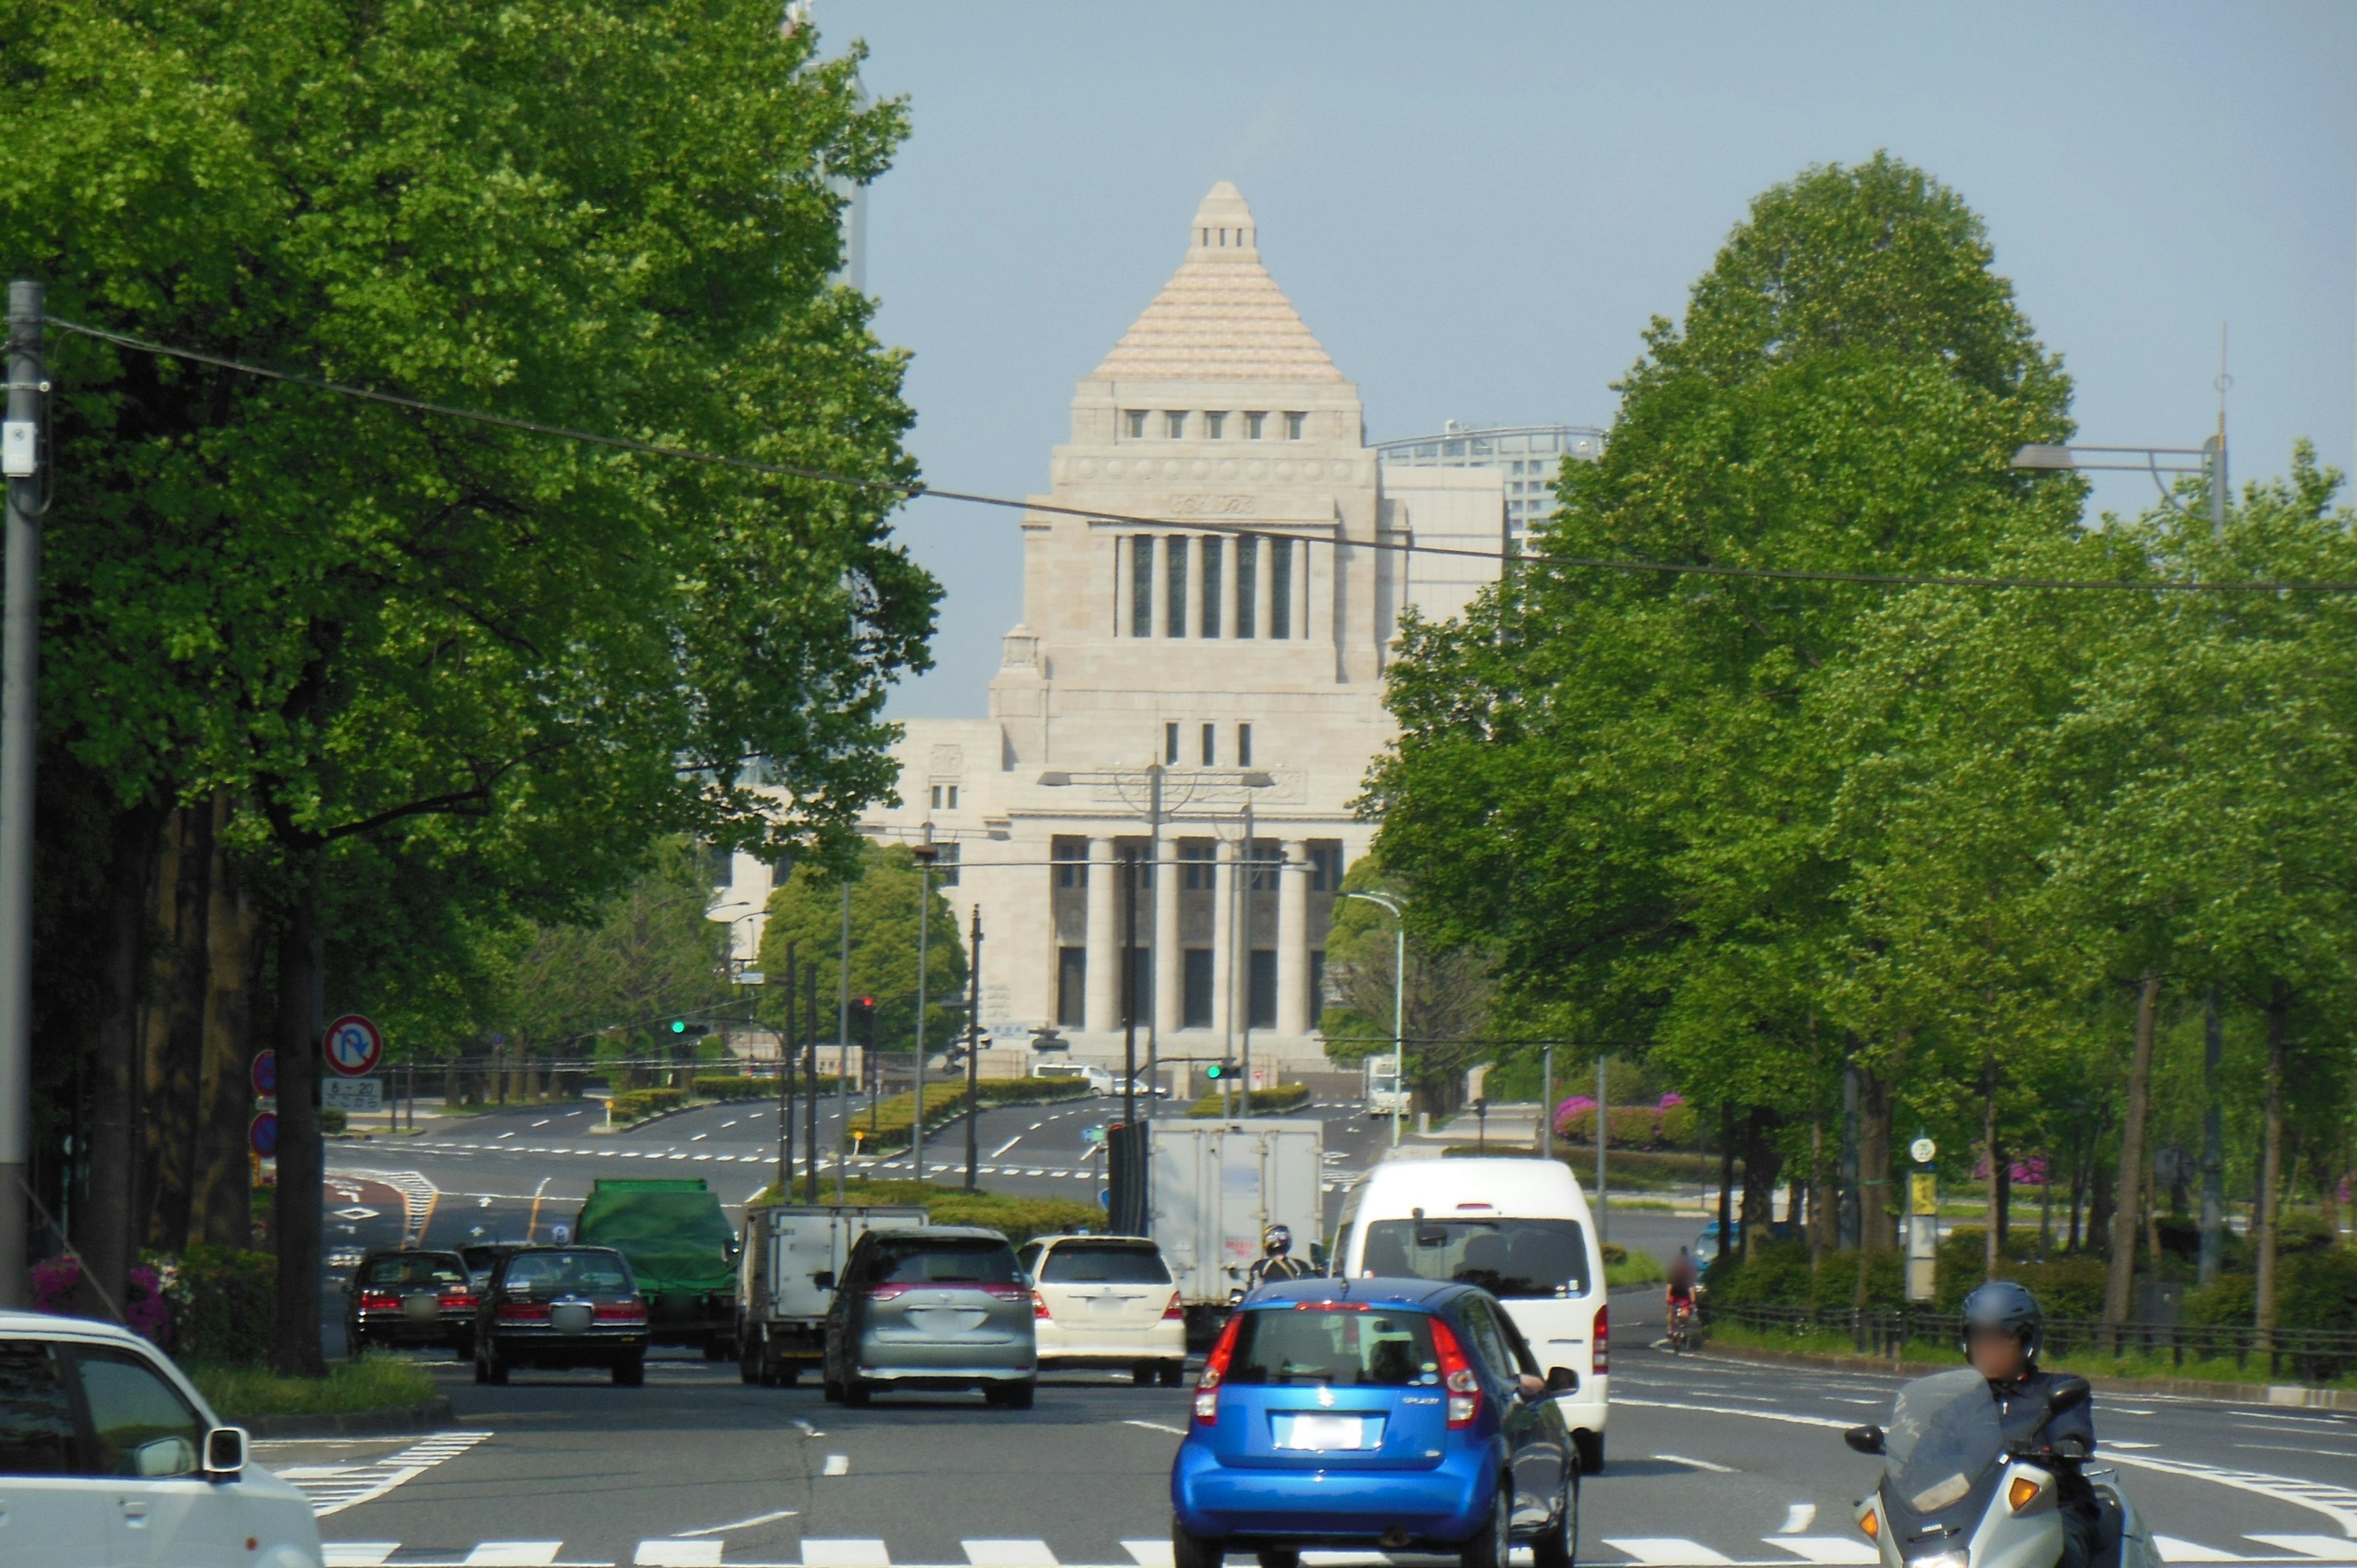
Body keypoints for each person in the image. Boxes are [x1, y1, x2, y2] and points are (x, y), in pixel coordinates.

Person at [1960, 1281, 2105, 1568]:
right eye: (1979, 1336)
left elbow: (2071, 1427)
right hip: (1973, 1512)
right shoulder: (1959, 1402)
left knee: (2062, 1545)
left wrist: (2067, 1445)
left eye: (2000, 1337)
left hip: (2048, 1507)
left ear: (2027, 1342)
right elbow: (1929, 1443)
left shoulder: (2055, 1388)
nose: (1988, 1347)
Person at [1244, 1224, 1315, 1291]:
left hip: (1269, 1303)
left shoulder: (1260, 1266)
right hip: (1293, 1303)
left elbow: (1253, 1292)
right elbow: (1310, 1290)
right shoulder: (1300, 1265)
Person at [1664, 1245, 1700, 1335]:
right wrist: (1668, 1299)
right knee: (1671, 1311)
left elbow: (1691, 1289)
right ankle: (1671, 1330)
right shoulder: (1673, 1275)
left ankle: (1683, 1330)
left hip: (1685, 1297)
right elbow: (1669, 1287)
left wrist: (1693, 1301)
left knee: (1685, 1315)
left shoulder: (1687, 1277)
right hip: (1674, 1296)